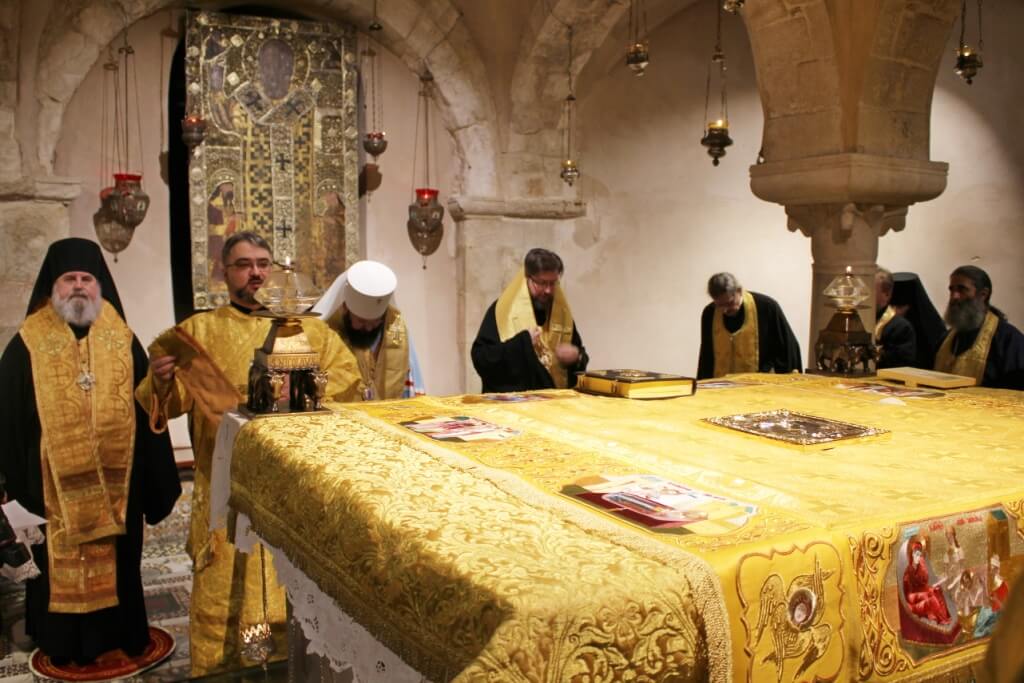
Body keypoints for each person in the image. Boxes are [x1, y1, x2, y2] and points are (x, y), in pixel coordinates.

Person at [135, 231, 362, 675]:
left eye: (262, 264)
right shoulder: (199, 331)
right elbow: (170, 402)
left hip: (293, 487)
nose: (255, 273)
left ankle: (291, 669)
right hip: (224, 485)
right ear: (224, 273)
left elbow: (347, 379)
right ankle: (225, 671)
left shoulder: (309, 330)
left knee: (291, 586)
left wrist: (297, 393)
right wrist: (161, 380)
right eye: (243, 264)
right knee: (225, 585)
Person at [0, 238, 180, 665]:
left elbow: (145, 404)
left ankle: (120, 632)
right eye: (69, 279)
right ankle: (63, 641)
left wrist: (160, 384)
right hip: (50, 489)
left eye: (87, 278)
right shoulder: (27, 343)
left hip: (118, 487)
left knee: (120, 564)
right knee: (56, 565)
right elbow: (6, 413)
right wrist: (11, 479)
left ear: (99, 286)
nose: (79, 286)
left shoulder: (123, 339)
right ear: (53, 286)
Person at [471, 248, 588, 392]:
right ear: (527, 278)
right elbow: (481, 358)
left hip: (555, 402)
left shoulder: (561, 313)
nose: (548, 290)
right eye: (542, 283)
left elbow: (579, 357)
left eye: (553, 283)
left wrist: (577, 357)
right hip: (514, 402)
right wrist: (522, 342)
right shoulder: (504, 312)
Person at [312, 260, 425, 399]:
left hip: (387, 409)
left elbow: (410, 375)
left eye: (376, 321)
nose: (369, 327)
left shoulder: (396, 327)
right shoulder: (326, 331)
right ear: (346, 308)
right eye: (362, 321)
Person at [934, 265, 1024, 389]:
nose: (954, 296)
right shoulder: (946, 338)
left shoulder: (1008, 340)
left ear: (983, 294)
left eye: (962, 289)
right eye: (951, 290)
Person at [696, 273, 801, 379]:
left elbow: (786, 349)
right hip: (720, 384)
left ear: (739, 291)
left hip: (758, 384)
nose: (725, 310)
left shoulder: (766, 308)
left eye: (729, 303)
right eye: (720, 305)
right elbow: (706, 356)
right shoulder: (710, 313)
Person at [889, 271, 946, 369]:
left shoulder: (933, 328)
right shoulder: (890, 325)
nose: (894, 311)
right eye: (891, 306)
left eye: (899, 306)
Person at [874, 268, 917, 368]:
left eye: (870, 290)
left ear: (887, 294)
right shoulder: (857, 320)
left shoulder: (901, 328)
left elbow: (901, 365)